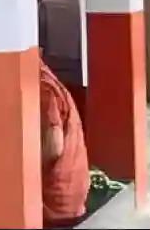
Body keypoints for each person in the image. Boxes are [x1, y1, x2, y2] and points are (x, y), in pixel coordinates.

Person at [40, 61, 90, 227]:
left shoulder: (43, 88)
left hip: (55, 202)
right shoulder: (49, 81)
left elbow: (54, 147)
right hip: (72, 195)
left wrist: (27, 173)